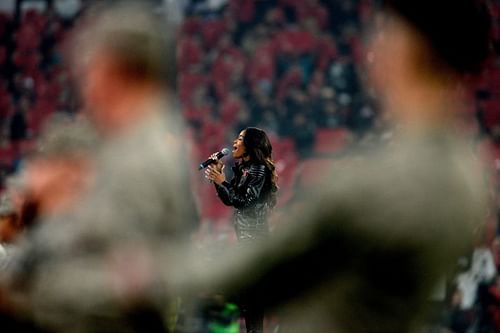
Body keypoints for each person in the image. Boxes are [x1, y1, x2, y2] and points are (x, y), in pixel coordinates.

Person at [167, 0, 493, 332]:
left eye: (385, 31)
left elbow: (263, 271)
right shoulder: (468, 176)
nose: (374, 43)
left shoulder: (380, 182)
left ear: (410, 47)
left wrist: (148, 276)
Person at [1, 2, 198, 332]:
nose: (87, 85)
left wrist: (29, 291)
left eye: (92, 70)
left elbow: (128, 275)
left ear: (116, 71)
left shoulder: (142, 158)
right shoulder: (129, 145)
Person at [204, 127, 278, 333]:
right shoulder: (246, 168)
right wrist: (219, 177)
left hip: (255, 244)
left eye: (240, 138)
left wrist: (221, 181)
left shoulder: (259, 170)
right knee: (249, 304)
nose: (234, 142)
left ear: (251, 145)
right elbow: (231, 199)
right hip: (247, 243)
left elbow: (243, 201)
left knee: (251, 303)